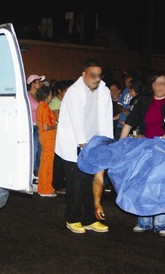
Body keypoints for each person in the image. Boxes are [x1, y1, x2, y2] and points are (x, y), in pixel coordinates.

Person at [120, 70, 165, 236]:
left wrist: (158, 142)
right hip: (146, 147)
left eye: (163, 83)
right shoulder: (144, 101)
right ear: (151, 85)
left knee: (161, 183)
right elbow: (130, 122)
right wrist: (121, 144)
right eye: (157, 82)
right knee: (143, 182)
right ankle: (144, 221)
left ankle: (162, 223)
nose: (160, 86)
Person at [55, 59, 113, 234]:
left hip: (94, 143)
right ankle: (72, 219)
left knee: (90, 182)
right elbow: (76, 120)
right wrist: (82, 144)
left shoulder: (104, 91)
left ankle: (90, 219)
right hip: (74, 145)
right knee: (76, 183)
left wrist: (106, 143)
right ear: (84, 75)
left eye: (99, 75)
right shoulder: (74, 92)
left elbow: (106, 118)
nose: (96, 78)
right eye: (92, 75)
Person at [50, 80, 73, 194]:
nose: (68, 93)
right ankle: (58, 185)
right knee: (58, 160)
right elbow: (59, 119)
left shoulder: (64, 101)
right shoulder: (55, 102)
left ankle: (60, 183)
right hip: (56, 136)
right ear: (60, 91)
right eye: (66, 90)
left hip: (62, 135)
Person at [36, 86, 57, 197]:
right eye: (50, 94)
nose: (51, 97)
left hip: (47, 138)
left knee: (45, 164)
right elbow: (46, 126)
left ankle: (43, 187)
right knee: (47, 165)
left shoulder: (43, 107)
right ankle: (45, 189)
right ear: (46, 95)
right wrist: (56, 126)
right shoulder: (44, 108)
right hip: (48, 139)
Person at [27, 74, 45, 184]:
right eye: (38, 81)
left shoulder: (38, 96)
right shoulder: (27, 96)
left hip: (39, 126)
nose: (40, 84)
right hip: (32, 127)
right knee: (33, 152)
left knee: (39, 152)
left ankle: (37, 176)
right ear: (33, 83)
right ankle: (31, 176)